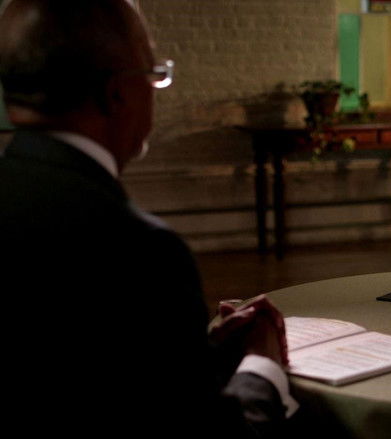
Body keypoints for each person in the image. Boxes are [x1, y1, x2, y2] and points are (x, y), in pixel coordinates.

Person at [0, 0, 297, 436]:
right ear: (116, 92)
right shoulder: (140, 250)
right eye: (154, 74)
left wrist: (195, 354)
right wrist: (261, 364)